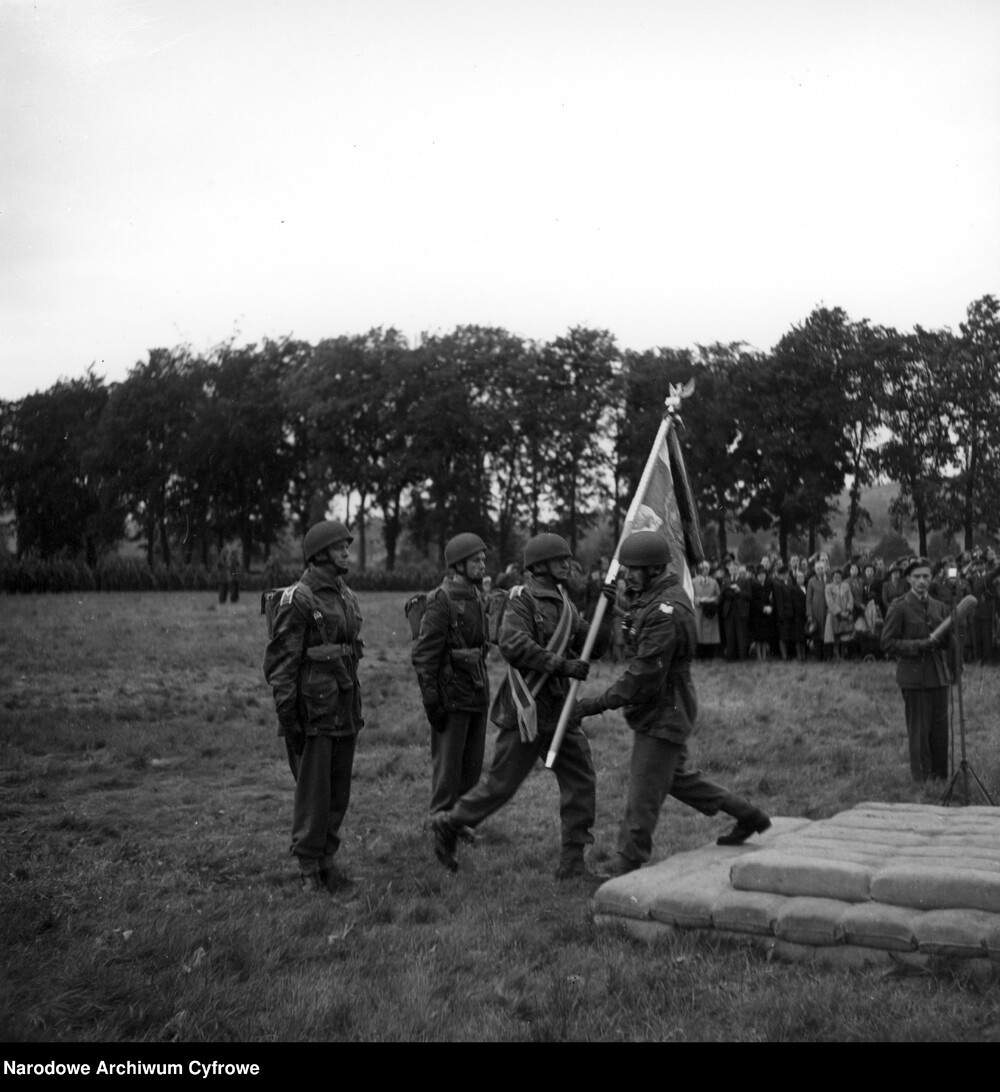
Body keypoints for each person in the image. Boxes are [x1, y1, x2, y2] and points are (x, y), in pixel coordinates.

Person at [572, 532, 771, 878]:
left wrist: (593, 704)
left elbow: (643, 674)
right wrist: (614, 604)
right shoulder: (658, 596)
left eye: (633, 569)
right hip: (665, 705)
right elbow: (639, 626)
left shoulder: (665, 610)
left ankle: (628, 858)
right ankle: (750, 816)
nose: (627, 575)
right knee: (679, 780)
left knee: (643, 788)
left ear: (653, 569)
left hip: (664, 708)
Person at [430, 533, 602, 881]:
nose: (567, 564)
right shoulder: (521, 600)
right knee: (501, 785)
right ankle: (449, 823)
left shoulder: (566, 605)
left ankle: (572, 863)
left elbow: (594, 645)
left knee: (581, 778)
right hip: (527, 708)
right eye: (559, 559)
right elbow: (513, 644)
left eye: (567, 558)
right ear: (539, 566)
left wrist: (606, 608)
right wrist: (561, 665)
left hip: (559, 711)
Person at [262, 520, 364, 893]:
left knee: (338, 793)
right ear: (319, 554)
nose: (346, 552)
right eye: (339, 547)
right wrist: (290, 721)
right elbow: (282, 667)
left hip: (344, 706)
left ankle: (326, 863)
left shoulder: (345, 595)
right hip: (313, 712)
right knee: (314, 795)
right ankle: (308, 868)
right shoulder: (299, 600)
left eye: (347, 546)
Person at [411, 533, 490, 818]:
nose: (482, 565)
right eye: (476, 560)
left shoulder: (476, 596)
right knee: (448, 772)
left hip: (476, 693)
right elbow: (424, 656)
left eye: (483, 560)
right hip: (451, 698)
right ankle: (440, 826)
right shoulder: (440, 600)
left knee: (471, 770)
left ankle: (461, 825)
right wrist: (432, 702)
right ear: (458, 565)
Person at [880, 556, 951, 783]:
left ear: (931, 578)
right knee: (919, 733)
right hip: (914, 678)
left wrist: (953, 633)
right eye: (917, 577)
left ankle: (940, 780)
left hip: (938, 677)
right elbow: (887, 643)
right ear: (909, 579)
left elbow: (948, 643)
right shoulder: (899, 606)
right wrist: (919, 645)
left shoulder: (939, 606)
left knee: (940, 733)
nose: (922, 581)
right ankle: (922, 783)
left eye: (926, 576)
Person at [692, 560, 721, 659]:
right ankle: (699, 655)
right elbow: (690, 595)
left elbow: (718, 595)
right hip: (699, 610)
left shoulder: (713, 582)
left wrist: (711, 600)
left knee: (710, 634)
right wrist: (699, 600)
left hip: (710, 611)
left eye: (707, 568)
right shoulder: (693, 582)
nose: (705, 570)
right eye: (703, 568)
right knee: (699, 633)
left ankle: (710, 655)